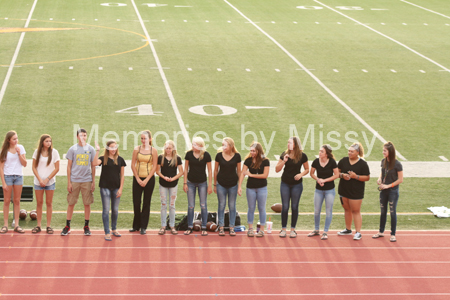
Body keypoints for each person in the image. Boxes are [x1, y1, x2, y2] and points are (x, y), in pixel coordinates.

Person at [62, 128, 99, 236]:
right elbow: (69, 167)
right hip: (75, 181)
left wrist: (93, 181)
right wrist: (69, 182)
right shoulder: (72, 149)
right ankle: (67, 225)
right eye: (81, 135)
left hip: (86, 181)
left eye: (85, 135)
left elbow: (93, 166)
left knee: (87, 203)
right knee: (71, 203)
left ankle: (86, 226)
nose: (83, 137)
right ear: (77, 137)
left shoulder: (91, 149)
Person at [275, 137, 309, 238]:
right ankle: (283, 229)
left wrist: (300, 174)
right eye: (288, 142)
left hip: (297, 185)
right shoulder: (284, 154)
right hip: (285, 183)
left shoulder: (302, 155)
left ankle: (293, 229)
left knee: (294, 206)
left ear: (295, 144)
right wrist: (284, 161)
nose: (288, 144)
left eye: (290, 142)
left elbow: (307, 169)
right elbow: (277, 169)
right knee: (285, 207)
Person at [93, 140, 126, 241]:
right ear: (107, 149)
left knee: (115, 210)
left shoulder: (120, 159)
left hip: (116, 188)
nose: (113, 149)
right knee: (106, 210)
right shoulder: (103, 159)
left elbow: (122, 175)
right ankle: (107, 232)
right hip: (105, 187)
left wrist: (120, 189)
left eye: (115, 147)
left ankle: (114, 229)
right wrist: (97, 150)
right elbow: (94, 163)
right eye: (111, 147)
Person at [337, 142, 370, 240]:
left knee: (356, 211)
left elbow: (367, 177)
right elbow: (336, 173)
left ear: (357, 152)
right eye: (349, 151)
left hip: (356, 192)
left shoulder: (363, 164)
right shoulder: (343, 161)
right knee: (347, 210)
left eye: (352, 151)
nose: (349, 153)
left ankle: (358, 232)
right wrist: (343, 175)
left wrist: (356, 176)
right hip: (343, 189)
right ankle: (348, 229)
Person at [373, 142, 403, 242]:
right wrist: (379, 179)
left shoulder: (397, 164)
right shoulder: (383, 161)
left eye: (385, 151)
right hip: (383, 190)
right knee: (383, 211)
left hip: (393, 191)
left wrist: (388, 186)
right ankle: (381, 231)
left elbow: (400, 180)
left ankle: (393, 234)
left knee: (392, 212)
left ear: (390, 152)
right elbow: (382, 173)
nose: (383, 152)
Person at [238, 142, 270, 238]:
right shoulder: (248, 160)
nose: (251, 152)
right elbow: (243, 173)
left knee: (261, 208)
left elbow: (265, 175)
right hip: (250, 188)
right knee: (251, 208)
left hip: (262, 188)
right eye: (251, 150)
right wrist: (239, 186)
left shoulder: (265, 161)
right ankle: (250, 229)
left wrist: (251, 175)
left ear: (258, 151)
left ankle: (261, 230)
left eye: (253, 151)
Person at [183, 137, 212, 236]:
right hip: (190, 183)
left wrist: (210, 185)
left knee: (203, 205)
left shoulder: (206, 155)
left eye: (195, 144)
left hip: (202, 183)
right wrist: (185, 183)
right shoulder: (189, 154)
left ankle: (204, 227)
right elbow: (185, 169)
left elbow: (210, 171)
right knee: (191, 206)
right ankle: (189, 226)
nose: (193, 146)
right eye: (192, 144)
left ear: (200, 146)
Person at [130, 130, 158, 235]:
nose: (143, 140)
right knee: (136, 203)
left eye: (145, 138)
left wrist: (146, 180)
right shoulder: (136, 149)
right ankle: (136, 225)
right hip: (137, 178)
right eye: (141, 138)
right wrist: (137, 178)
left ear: (150, 139)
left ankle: (143, 226)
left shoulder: (154, 150)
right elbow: (133, 164)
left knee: (146, 203)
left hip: (149, 180)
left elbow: (155, 166)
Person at [31, 134, 60, 234]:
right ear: (42, 142)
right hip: (38, 182)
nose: (49, 143)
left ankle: (48, 226)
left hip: (50, 182)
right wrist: (40, 179)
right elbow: (34, 167)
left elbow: (57, 168)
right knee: (39, 203)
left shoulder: (54, 152)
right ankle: (38, 225)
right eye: (47, 141)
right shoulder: (37, 152)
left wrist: (47, 179)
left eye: (50, 141)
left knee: (49, 203)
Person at [309, 144, 339, 240]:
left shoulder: (332, 162)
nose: (320, 153)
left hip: (330, 190)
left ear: (327, 154)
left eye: (322, 151)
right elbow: (311, 173)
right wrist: (318, 180)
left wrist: (324, 180)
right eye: (320, 151)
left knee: (328, 211)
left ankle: (325, 232)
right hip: (318, 190)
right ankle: (316, 230)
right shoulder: (316, 161)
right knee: (317, 211)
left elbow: (337, 175)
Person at [0, 131, 27, 234]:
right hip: (8, 177)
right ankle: (5, 225)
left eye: (17, 138)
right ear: (9, 140)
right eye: (14, 139)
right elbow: (1, 168)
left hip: (18, 177)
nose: (16, 140)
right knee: (6, 201)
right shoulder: (4, 150)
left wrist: (19, 153)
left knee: (17, 201)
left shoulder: (20, 148)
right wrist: (3, 182)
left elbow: (24, 164)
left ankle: (16, 225)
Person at [214, 137, 241, 236]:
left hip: (233, 185)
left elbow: (239, 171)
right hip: (221, 184)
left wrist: (240, 185)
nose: (223, 147)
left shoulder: (237, 156)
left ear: (230, 146)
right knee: (221, 205)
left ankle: (231, 227)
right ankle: (221, 227)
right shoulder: (218, 156)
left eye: (225, 145)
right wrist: (214, 184)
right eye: (222, 145)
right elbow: (216, 170)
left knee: (232, 206)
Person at [155, 140, 183, 235]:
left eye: (170, 148)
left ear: (173, 148)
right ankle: (163, 226)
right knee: (163, 204)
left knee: (172, 205)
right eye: (166, 148)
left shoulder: (177, 158)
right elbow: (157, 171)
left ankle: (172, 225)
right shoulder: (160, 157)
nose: (168, 150)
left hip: (173, 185)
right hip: (163, 184)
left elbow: (181, 172)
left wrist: (173, 179)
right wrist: (164, 177)